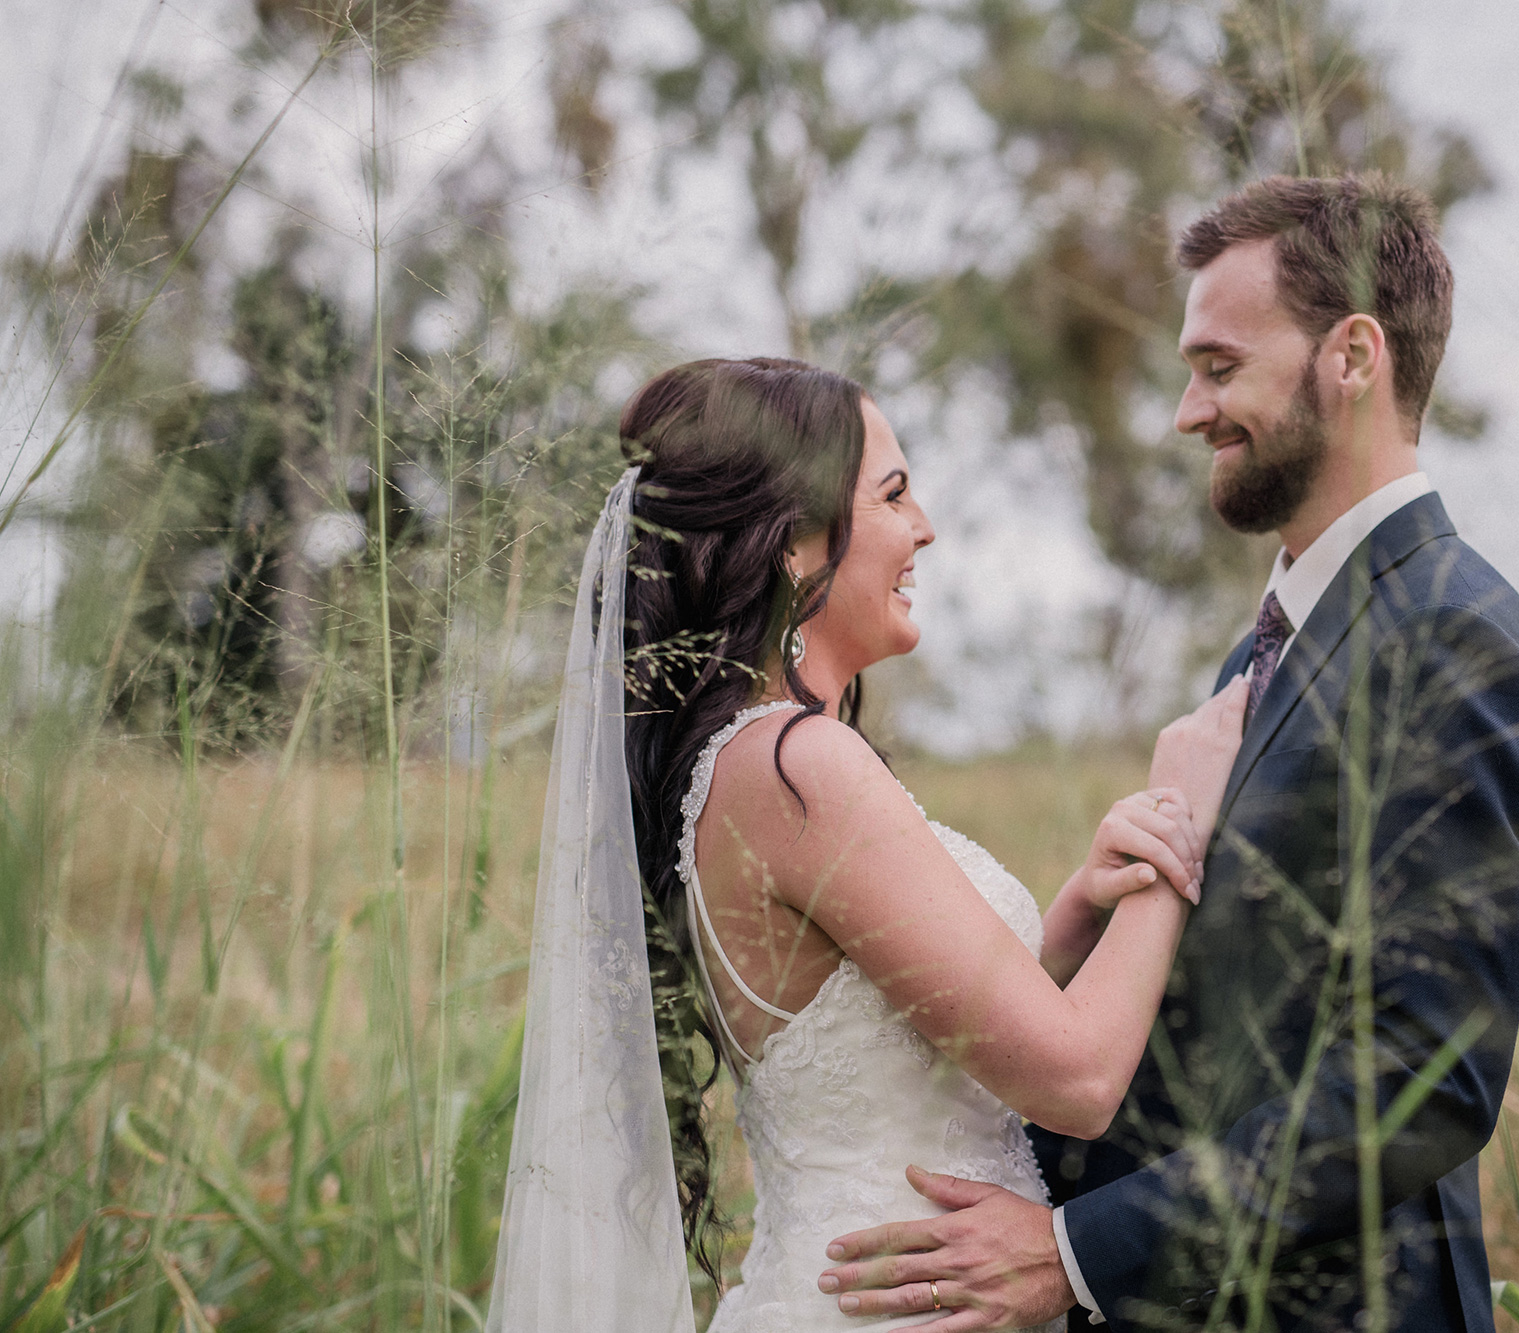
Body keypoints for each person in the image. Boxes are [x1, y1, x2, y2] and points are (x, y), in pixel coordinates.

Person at [819, 174, 1519, 1332]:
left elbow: (1423, 1082)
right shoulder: (1268, 649)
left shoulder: (1449, 634)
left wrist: (1072, 1254)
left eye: (1218, 367)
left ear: (1352, 355)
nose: (1184, 410)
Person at [486, 357, 1249, 1333]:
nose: (923, 525)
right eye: (891, 495)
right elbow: (1078, 1081)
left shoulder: (747, 766)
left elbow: (912, 1026)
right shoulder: (802, 768)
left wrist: (1080, 907)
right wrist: (1175, 831)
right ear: (795, 547)